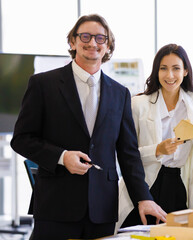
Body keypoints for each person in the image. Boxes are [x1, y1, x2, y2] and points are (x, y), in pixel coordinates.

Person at [10, 14, 166, 240]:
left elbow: (128, 153)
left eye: (100, 38)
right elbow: (22, 138)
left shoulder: (120, 93)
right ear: (72, 42)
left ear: (108, 46)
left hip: (102, 209)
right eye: (85, 36)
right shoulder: (43, 84)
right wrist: (62, 157)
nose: (93, 43)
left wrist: (144, 198)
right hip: (56, 205)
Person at [118, 43, 193, 228]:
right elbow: (126, 154)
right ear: (156, 71)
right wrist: (157, 150)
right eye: (163, 68)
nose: (170, 75)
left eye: (176, 68)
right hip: (146, 185)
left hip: (178, 183)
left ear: (185, 71)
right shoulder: (138, 104)